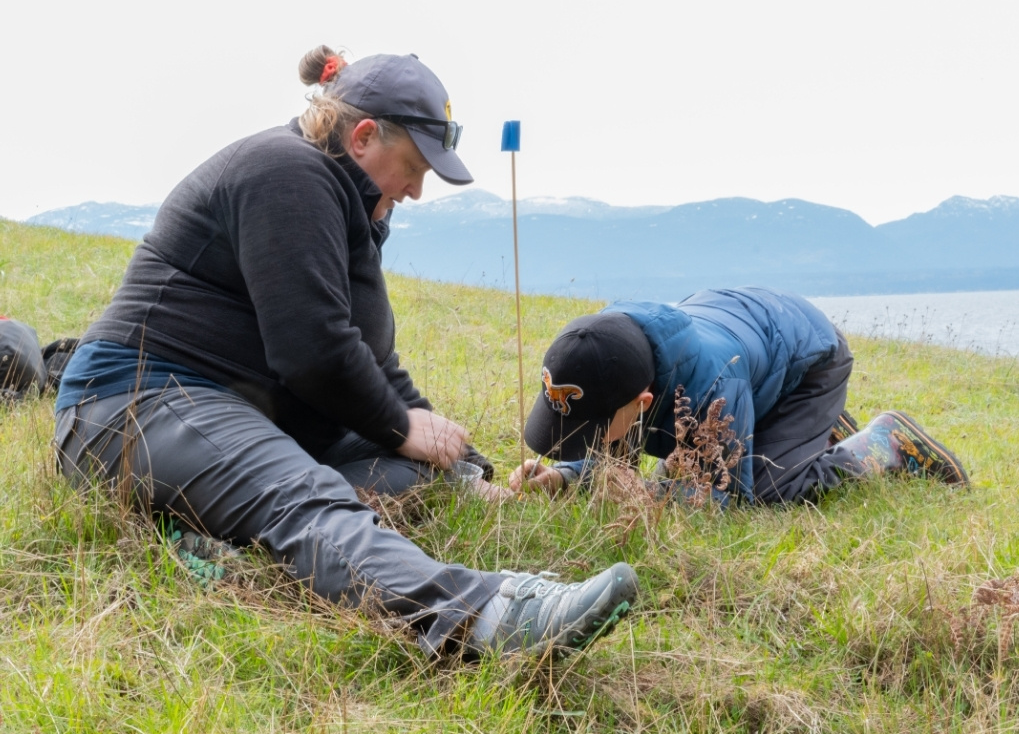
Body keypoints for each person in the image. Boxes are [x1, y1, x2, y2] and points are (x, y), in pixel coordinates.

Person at [53, 46, 637, 659]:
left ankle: (214, 539)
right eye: (412, 168)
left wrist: (464, 464)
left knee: (416, 470)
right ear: (362, 137)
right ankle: (489, 618)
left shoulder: (343, 203)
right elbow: (313, 355)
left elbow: (371, 362)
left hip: (236, 413)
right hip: (135, 401)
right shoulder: (284, 172)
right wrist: (398, 424)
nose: (414, 191)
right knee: (302, 491)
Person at [509, 286, 968, 506]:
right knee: (669, 455)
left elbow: (715, 503)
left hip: (809, 361)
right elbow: (612, 450)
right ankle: (809, 433)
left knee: (768, 492)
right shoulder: (608, 347)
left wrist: (652, 495)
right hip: (749, 345)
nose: (578, 439)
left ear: (642, 403)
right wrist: (565, 476)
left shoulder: (715, 389)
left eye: (585, 432)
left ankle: (884, 441)